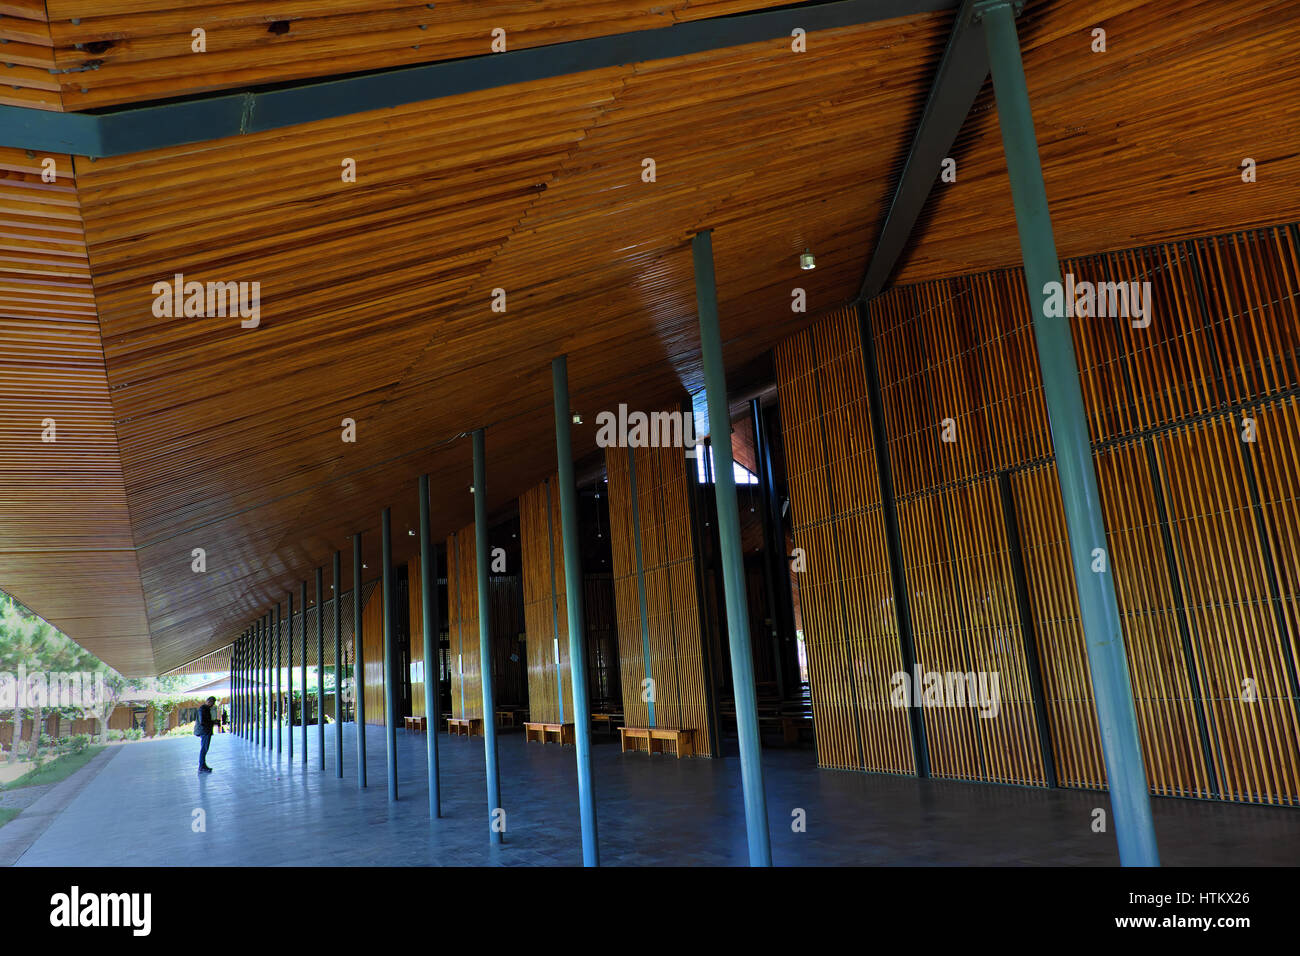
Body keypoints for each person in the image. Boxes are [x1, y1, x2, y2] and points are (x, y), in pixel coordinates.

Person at [194, 696, 216, 773]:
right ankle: (202, 766)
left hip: (205, 731)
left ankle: (203, 765)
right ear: (208, 701)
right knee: (204, 748)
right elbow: (203, 721)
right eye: (211, 703)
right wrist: (213, 722)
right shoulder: (203, 709)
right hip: (204, 731)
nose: (212, 705)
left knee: (205, 748)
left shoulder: (205, 709)